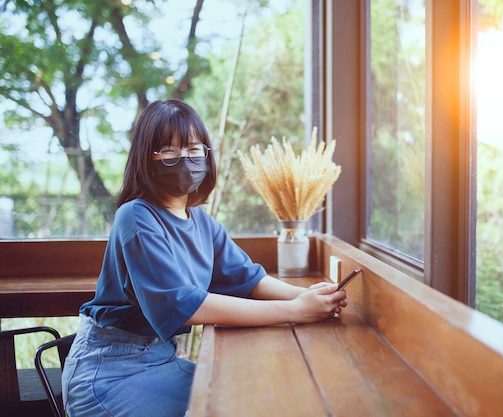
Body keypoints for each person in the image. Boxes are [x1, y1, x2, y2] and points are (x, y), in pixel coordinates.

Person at [61, 99, 348, 417]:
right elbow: (183, 305)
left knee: (248, 396)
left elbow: (247, 278)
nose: (184, 158)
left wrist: (308, 295)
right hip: (110, 372)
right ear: (146, 156)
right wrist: (294, 311)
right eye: (168, 150)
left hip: (161, 359)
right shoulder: (136, 217)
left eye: (194, 149)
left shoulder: (200, 220)